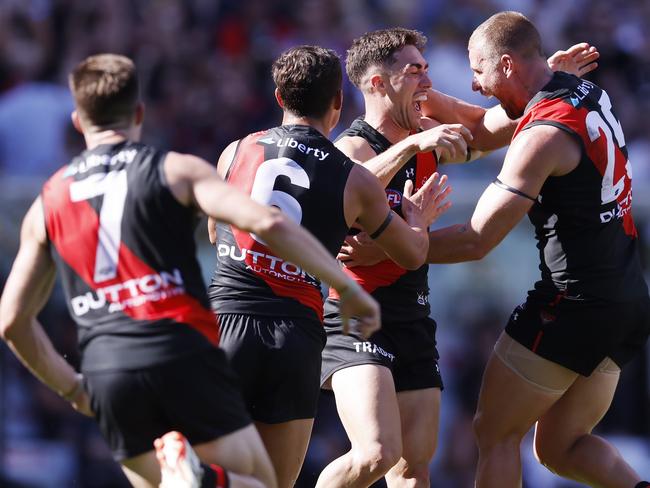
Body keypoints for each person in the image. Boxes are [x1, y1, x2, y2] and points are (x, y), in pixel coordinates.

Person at [0, 53, 383, 488]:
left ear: (76, 120)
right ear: (139, 112)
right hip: (178, 350)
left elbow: (11, 321)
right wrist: (343, 286)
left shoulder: (48, 200)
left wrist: (72, 388)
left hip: (106, 370)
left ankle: (198, 478)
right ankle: (205, 479)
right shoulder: (174, 169)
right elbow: (268, 221)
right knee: (259, 482)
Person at [317, 27, 601, 488]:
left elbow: (494, 130)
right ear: (376, 84)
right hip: (356, 318)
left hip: (412, 315)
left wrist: (547, 80)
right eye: (414, 72)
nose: (427, 81)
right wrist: (412, 146)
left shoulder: (429, 131)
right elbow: (337, 186)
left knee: (412, 469)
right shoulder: (356, 146)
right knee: (374, 454)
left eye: (427, 69)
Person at [205, 45, 464, 488]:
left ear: (279, 96)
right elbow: (412, 254)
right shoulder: (351, 176)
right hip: (296, 335)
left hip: (227, 320)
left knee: (203, 471)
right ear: (339, 102)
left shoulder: (236, 151)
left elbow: (214, 233)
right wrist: (417, 220)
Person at [424, 11, 650, 488]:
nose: (474, 83)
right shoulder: (582, 89)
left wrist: (393, 244)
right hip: (627, 298)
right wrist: (423, 98)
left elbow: (476, 239)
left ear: (506, 64)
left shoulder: (541, 136)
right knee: (559, 447)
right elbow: (486, 129)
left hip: (573, 305)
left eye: (479, 70)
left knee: (494, 431)